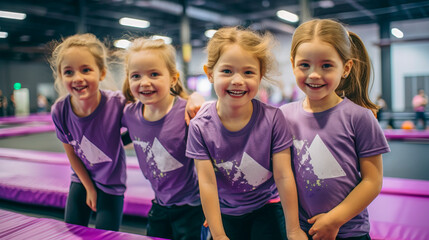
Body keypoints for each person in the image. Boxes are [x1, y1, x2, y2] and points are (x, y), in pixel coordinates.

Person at [186, 27, 307, 240]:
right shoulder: (200, 126)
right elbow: (206, 182)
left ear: (260, 76)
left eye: (248, 72)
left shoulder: (272, 118)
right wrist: (218, 233)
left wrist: (294, 229)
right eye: (227, 71)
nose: (238, 80)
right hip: (226, 211)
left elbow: (283, 175)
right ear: (209, 73)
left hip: (266, 206)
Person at [280, 19, 391, 239]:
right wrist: (293, 228)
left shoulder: (359, 117)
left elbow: (372, 180)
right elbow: (281, 176)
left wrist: (335, 219)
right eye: (305, 65)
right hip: (302, 231)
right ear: (293, 64)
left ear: (346, 68)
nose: (313, 74)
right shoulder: (283, 116)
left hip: (349, 231)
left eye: (326, 65)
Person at [121, 37, 204, 240]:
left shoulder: (186, 112)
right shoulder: (130, 114)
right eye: (136, 76)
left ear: (173, 78)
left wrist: (197, 97)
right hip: (160, 204)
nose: (145, 82)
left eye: (154, 74)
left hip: (191, 207)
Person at [50, 33, 127, 231]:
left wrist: (193, 99)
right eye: (69, 72)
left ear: (101, 73)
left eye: (86, 70)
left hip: (111, 184)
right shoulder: (60, 110)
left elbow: (151, 112)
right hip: (81, 179)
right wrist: (89, 188)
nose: (77, 78)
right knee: (72, 233)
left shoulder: (117, 104)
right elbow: (72, 154)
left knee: (106, 235)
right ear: (60, 76)